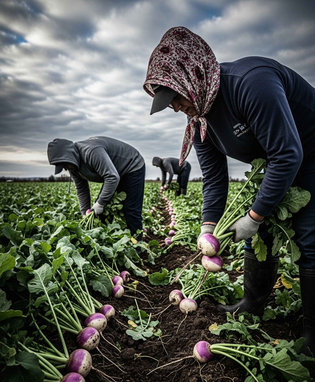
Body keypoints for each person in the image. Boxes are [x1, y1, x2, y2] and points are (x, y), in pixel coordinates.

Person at [143, 26, 315, 354]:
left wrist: (255, 214)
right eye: (169, 104)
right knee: (258, 233)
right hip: (278, 160)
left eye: (176, 98)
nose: (176, 107)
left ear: (193, 77)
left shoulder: (252, 83)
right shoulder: (200, 120)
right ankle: (252, 303)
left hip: (308, 152)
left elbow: (289, 152)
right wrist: (208, 226)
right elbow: (214, 178)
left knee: (310, 236)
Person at [47, 136, 145, 235]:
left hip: (132, 166)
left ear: (69, 155)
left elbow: (112, 177)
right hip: (114, 173)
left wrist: (100, 203)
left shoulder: (91, 152)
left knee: (130, 210)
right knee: (100, 213)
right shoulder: (73, 167)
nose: (65, 169)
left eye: (64, 164)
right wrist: (85, 213)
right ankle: (105, 239)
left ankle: (137, 244)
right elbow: (81, 189)